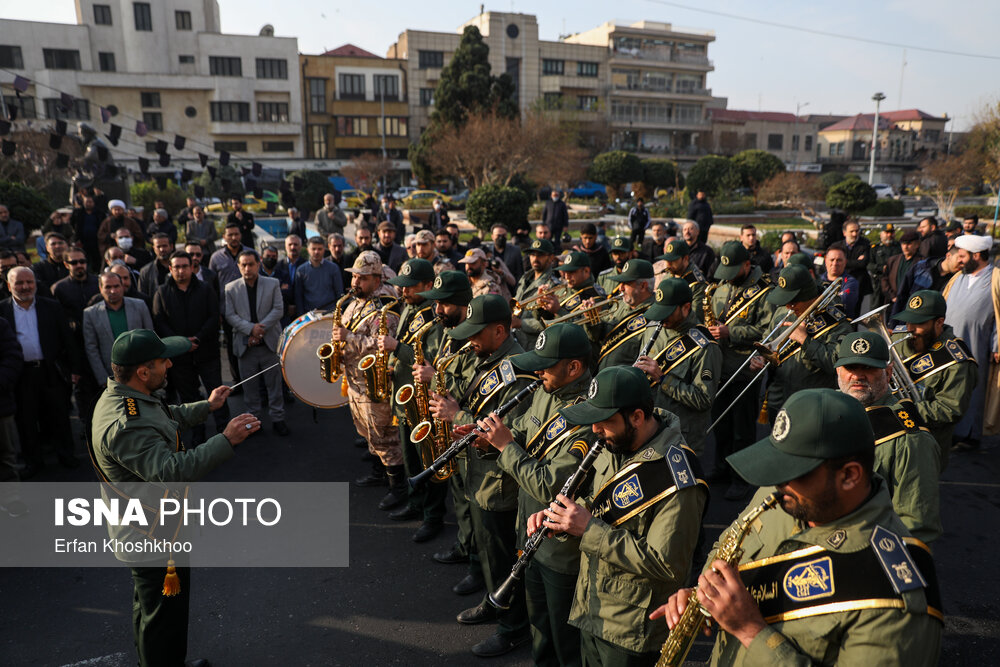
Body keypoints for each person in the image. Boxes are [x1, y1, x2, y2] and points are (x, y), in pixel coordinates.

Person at [654, 388, 943, 667]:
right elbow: (727, 546)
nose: (777, 483)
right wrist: (703, 596)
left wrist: (749, 631)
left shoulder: (896, 597)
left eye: (795, 470)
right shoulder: (786, 491)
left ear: (849, 476)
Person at [90, 329, 259, 667]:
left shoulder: (128, 397)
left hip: (151, 527)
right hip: (151, 536)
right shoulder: (128, 423)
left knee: (152, 611)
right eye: (162, 360)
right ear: (142, 372)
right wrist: (225, 439)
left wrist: (207, 407)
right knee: (164, 618)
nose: (169, 364)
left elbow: (165, 419)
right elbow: (170, 471)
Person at [535, 365, 708, 666]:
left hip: (630, 631)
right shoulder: (617, 443)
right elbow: (601, 504)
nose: (594, 431)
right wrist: (563, 519)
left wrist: (587, 530)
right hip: (592, 607)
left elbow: (668, 564)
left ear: (637, 417)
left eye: (604, 422)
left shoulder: (679, 477)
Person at [476, 323, 595, 667]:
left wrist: (505, 446)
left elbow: (549, 487)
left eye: (547, 363)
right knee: (540, 628)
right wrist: (490, 438)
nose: (538, 370)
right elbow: (526, 428)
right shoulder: (546, 389)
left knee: (565, 639)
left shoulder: (589, 412)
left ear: (573, 367)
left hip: (560, 549)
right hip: (528, 528)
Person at [429, 294, 534, 658]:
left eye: (477, 333)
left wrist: (456, 415)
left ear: (501, 330)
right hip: (476, 474)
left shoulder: (517, 368)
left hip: (498, 483)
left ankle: (514, 628)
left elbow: (509, 431)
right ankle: (494, 601)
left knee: (504, 559)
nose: (470, 339)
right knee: (490, 557)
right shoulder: (485, 356)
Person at [834, 331, 941, 542]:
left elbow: (916, 527)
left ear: (889, 372)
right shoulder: (827, 406)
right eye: (850, 368)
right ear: (838, 371)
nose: (858, 376)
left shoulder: (911, 440)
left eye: (868, 368)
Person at [412, 271, 482, 587]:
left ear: (462, 304)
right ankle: (465, 546)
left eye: (443, 305)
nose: (436, 311)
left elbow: (473, 386)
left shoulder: (473, 336)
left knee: (474, 503)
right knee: (460, 497)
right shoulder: (447, 332)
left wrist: (436, 380)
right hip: (450, 428)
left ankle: (480, 567)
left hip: (470, 431)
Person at [378, 259, 446, 539]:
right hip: (405, 399)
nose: (403, 292)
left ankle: (433, 515)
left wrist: (397, 348)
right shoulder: (411, 308)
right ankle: (416, 503)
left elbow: (429, 360)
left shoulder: (433, 315)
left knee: (427, 462)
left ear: (428, 286)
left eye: (410, 287)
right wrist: (393, 362)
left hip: (421, 402)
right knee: (411, 460)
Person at [332, 251, 402, 504]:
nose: (355, 282)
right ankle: (380, 472)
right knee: (367, 432)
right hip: (354, 382)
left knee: (385, 438)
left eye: (362, 278)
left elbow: (383, 345)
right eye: (354, 276)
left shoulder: (386, 308)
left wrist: (348, 339)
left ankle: (399, 489)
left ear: (376, 279)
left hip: (373, 384)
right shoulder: (352, 303)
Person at [708, 241, 776, 498]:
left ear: (748, 265)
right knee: (721, 424)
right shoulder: (723, 286)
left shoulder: (763, 291)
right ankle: (721, 467)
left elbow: (767, 330)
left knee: (742, 429)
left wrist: (730, 332)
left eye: (733, 271)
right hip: (720, 366)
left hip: (745, 369)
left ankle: (742, 477)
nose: (727, 278)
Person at [1, 267, 81, 477]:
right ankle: (33, 461)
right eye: (19, 283)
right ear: (9, 286)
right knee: (26, 420)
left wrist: (74, 369)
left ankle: (66, 455)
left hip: (50, 371)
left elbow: (67, 339)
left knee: (59, 415)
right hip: (20, 375)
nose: (25, 287)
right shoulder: (3, 311)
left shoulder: (51, 307)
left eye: (30, 282)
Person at [634, 277, 722, 455]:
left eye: (668, 312)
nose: (661, 317)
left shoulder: (705, 346)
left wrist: (663, 379)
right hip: (649, 428)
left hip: (681, 435)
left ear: (686, 308)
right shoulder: (653, 328)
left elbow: (703, 399)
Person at [891, 290, 977, 469]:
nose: (910, 329)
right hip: (889, 438)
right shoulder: (899, 337)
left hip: (925, 445)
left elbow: (950, 409)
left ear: (939, 322)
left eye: (919, 323)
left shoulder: (957, 360)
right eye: (908, 321)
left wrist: (900, 411)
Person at [153, 251, 231, 443]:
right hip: (180, 357)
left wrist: (197, 338)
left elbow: (214, 318)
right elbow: (159, 321)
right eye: (176, 267)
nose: (181, 271)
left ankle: (225, 430)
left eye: (184, 266)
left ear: (192, 268)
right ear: (170, 269)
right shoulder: (162, 292)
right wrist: (182, 343)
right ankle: (198, 432)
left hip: (206, 352)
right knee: (190, 397)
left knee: (216, 390)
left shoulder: (205, 289)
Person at [941, 234, 996, 452]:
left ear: (976, 255)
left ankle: (970, 434)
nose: (959, 260)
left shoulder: (996, 278)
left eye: (962, 256)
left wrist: (997, 345)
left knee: (974, 388)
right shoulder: (957, 278)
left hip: (978, 346)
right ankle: (951, 431)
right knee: (950, 387)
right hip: (949, 346)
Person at [224, 250, 289, 436]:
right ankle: (253, 422)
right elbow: (230, 315)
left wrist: (259, 330)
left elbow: (278, 309)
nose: (247, 268)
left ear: (258, 264)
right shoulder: (230, 288)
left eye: (251, 264)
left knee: (274, 386)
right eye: (243, 264)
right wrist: (250, 329)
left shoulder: (272, 283)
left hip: (269, 344)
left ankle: (278, 418)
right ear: (238, 266)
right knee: (250, 389)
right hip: (246, 346)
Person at [52, 247, 102, 426]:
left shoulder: (98, 282)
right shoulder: (59, 288)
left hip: (100, 344)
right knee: (82, 390)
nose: (79, 265)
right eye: (74, 262)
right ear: (66, 264)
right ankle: (87, 426)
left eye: (82, 261)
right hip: (76, 346)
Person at [83, 271, 154, 386]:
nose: (113, 291)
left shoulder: (140, 306)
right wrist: (104, 380)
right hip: (112, 376)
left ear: (122, 287)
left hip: (142, 371)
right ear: (100, 288)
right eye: (108, 287)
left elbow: (150, 338)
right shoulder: (90, 314)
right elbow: (92, 349)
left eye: (116, 286)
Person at [586, 259, 655, 371]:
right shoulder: (622, 303)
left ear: (643, 286)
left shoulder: (655, 313)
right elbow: (600, 335)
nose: (620, 288)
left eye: (626, 283)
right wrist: (592, 319)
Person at [209, 224, 252, 386]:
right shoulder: (216, 258)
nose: (234, 238)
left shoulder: (250, 253)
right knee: (232, 347)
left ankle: (252, 379)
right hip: (226, 309)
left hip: (248, 308)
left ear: (241, 235)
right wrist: (217, 311)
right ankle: (238, 381)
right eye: (230, 235)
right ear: (224, 237)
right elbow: (212, 287)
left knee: (251, 345)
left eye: (236, 234)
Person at [512, 238, 559, 350]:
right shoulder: (525, 277)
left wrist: (520, 323)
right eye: (532, 254)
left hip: (535, 345)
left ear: (551, 258)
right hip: (517, 341)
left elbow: (549, 322)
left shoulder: (552, 285)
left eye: (540, 255)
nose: (535, 258)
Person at [0, 315, 23, 516]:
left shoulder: (1, 324)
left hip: (0, 403)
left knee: (6, 454)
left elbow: (13, 355)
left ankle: (11, 499)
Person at [656, 239, 708, 318]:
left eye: (673, 260)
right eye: (667, 259)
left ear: (685, 258)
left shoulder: (696, 283)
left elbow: (695, 316)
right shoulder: (668, 275)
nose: (668, 264)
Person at [295, 236, 345, 314]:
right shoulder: (301, 270)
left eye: (319, 249)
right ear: (308, 250)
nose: (316, 252)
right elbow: (298, 297)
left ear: (324, 250)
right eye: (313, 249)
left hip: (329, 314)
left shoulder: (333, 268)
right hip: (309, 315)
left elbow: (339, 293)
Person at [884, 230, 922, 318]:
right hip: (894, 302)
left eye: (909, 244)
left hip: (912, 304)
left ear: (917, 244)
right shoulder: (893, 260)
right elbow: (884, 279)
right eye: (903, 244)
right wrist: (892, 296)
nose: (905, 247)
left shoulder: (922, 262)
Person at [832, 220, 873, 300]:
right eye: (851, 231)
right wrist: (855, 262)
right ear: (844, 233)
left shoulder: (865, 244)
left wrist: (843, 262)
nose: (855, 234)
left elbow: (863, 263)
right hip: (841, 284)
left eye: (857, 231)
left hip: (859, 284)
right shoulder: (836, 246)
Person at [821, 245, 861, 318]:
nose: (835, 263)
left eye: (839, 260)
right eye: (832, 260)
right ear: (826, 260)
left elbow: (844, 303)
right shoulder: (818, 281)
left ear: (845, 262)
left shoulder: (851, 282)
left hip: (842, 326)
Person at [868, 223, 901, 308]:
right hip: (879, 282)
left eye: (891, 232)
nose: (889, 235)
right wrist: (881, 268)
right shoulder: (875, 248)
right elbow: (869, 265)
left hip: (894, 283)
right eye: (887, 232)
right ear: (881, 233)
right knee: (876, 308)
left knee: (894, 308)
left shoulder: (899, 247)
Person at [71, 194, 105, 270]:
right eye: (86, 202)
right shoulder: (78, 212)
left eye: (90, 202)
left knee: (96, 259)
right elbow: (72, 223)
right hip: (82, 240)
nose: (88, 204)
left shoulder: (99, 213)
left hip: (96, 240)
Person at [138, 233, 174, 299]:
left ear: (171, 246)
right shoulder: (146, 271)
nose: (162, 249)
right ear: (154, 248)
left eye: (164, 246)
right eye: (158, 247)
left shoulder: (180, 267)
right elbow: (142, 296)